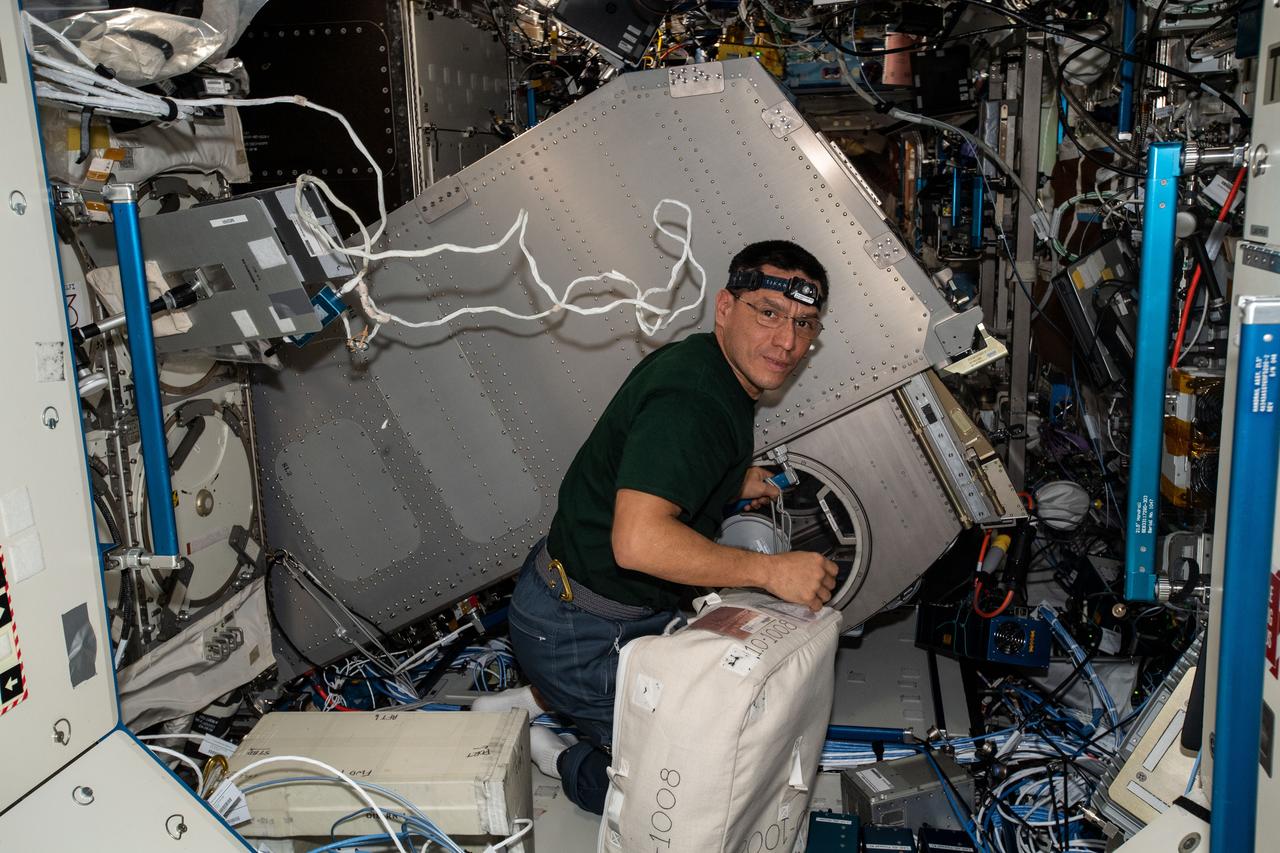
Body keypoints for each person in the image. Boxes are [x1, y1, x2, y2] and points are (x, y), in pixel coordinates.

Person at [472, 240, 840, 813]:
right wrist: (770, 572)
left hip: (576, 602)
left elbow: (653, 463)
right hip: (579, 634)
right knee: (688, 793)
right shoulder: (694, 400)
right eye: (768, 312)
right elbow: (639, 542)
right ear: (725, 307)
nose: (788, 342)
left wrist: (723, 482)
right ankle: (558, 753)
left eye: (803, 323)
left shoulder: (709, 366)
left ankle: (532, 701)